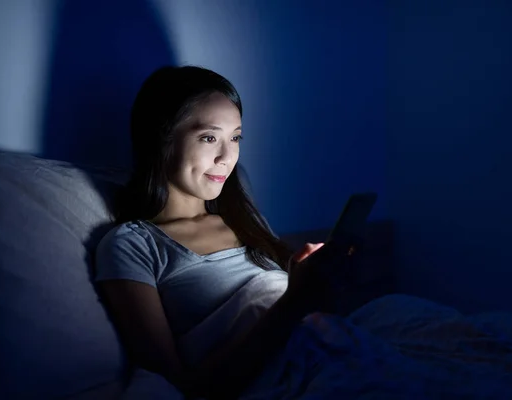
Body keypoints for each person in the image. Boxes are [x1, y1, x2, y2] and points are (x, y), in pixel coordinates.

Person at [94, 65, 353, 399]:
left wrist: (319, 286)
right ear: (161, 139)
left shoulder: (242, 220)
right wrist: (293, 302)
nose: (227, 157)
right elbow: (177, 385)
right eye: (209, 138)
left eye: (235, 138)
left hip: (329, 355)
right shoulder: (132, 245)